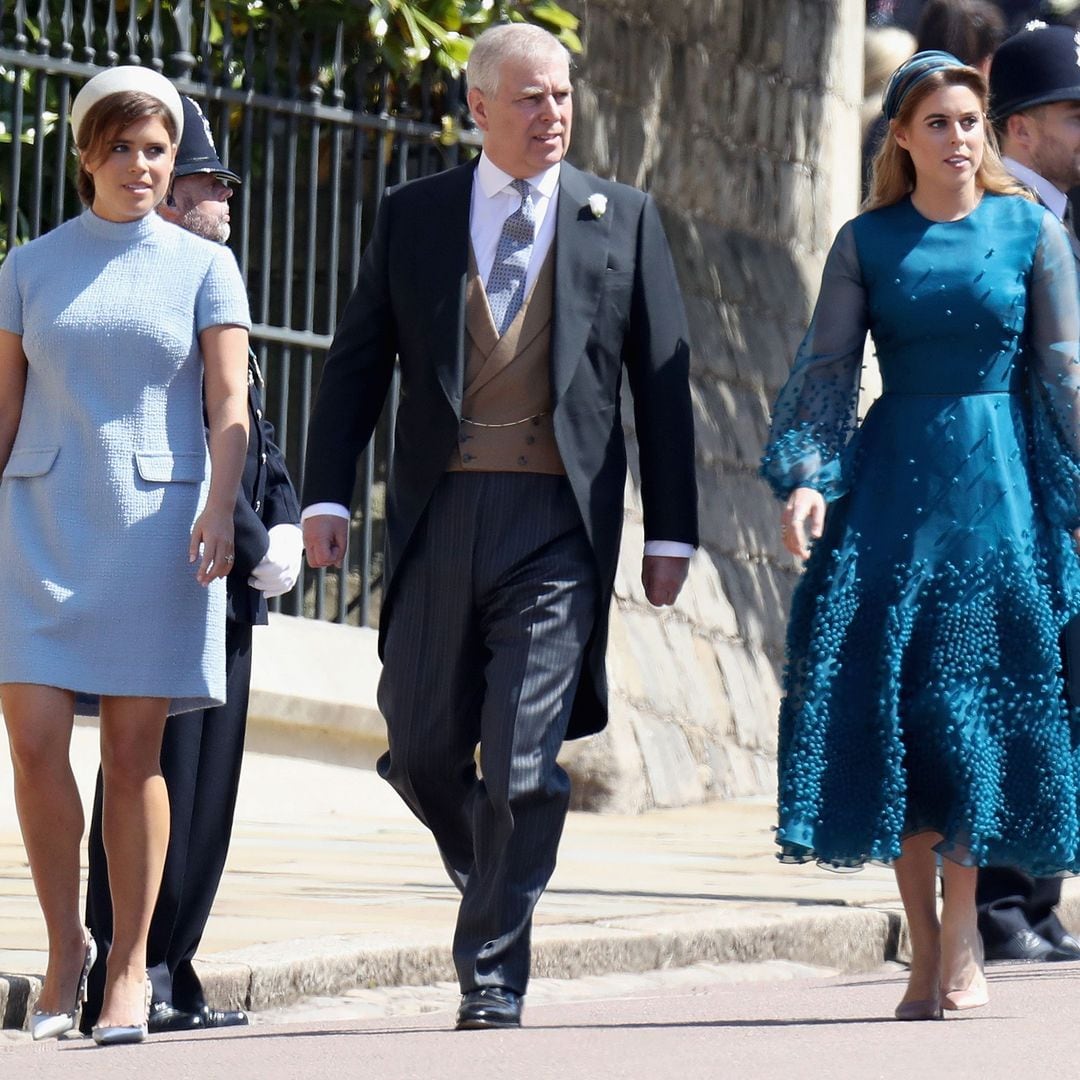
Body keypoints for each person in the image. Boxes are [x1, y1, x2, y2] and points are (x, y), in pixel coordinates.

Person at [302, 23, 698, 1030]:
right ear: (477, 107)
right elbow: (355, 362)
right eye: (528, 98)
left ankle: (490, 974)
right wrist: (326, 494)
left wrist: (672, 535)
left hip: (557, 524)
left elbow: (663, 384)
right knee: (425, 746)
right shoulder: (416, 215)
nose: (551, 115)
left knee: (523, 761)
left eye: (562, 96)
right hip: (442, 511)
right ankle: (499, 874)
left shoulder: (625, 218)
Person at [762, 50, 1080, 1021]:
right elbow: (826, 369)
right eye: (937, 123)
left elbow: (1065, 372)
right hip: (894, 493)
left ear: (990, 133)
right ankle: (926, 946)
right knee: (894, 714)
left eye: (971, 122)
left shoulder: (1030, 232)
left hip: (999, 501)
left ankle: (967, 929)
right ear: (901, 136)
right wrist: (810, 481)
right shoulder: (867, 241)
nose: (958, 139)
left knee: (969, 714)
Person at [0, 68, 250, 1044]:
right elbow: (6, 411)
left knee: (133, 754)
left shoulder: (203, 268)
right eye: (123, 148)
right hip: (40, 524)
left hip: (160, 527)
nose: (142, 167)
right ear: (86, 156)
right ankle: (65, 949)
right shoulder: (29, 267)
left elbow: (228, 405)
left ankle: (129, 968)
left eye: (157, 150)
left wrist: (220, 507)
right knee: (31, 740)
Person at [79, 95, 303, 1035]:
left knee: (208, 793)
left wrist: (281, 520)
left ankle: (176, 960)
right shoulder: (158, 287)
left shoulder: (213, 278)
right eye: (209, 182)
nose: (221, 197)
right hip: (181, 569)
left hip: (233, 582)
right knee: (150, 773)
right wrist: (254, 542)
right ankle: (128, 963)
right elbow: (181, 439)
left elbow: (251, 431)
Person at [964, 22, 1080, 964]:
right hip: (1011, 496)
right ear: (1024, 128)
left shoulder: (1066, 221)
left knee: (1063, 698)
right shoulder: (993, 221)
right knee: (1015, 695)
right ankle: (999, 906)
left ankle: (1036, 899)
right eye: (1078, 113)